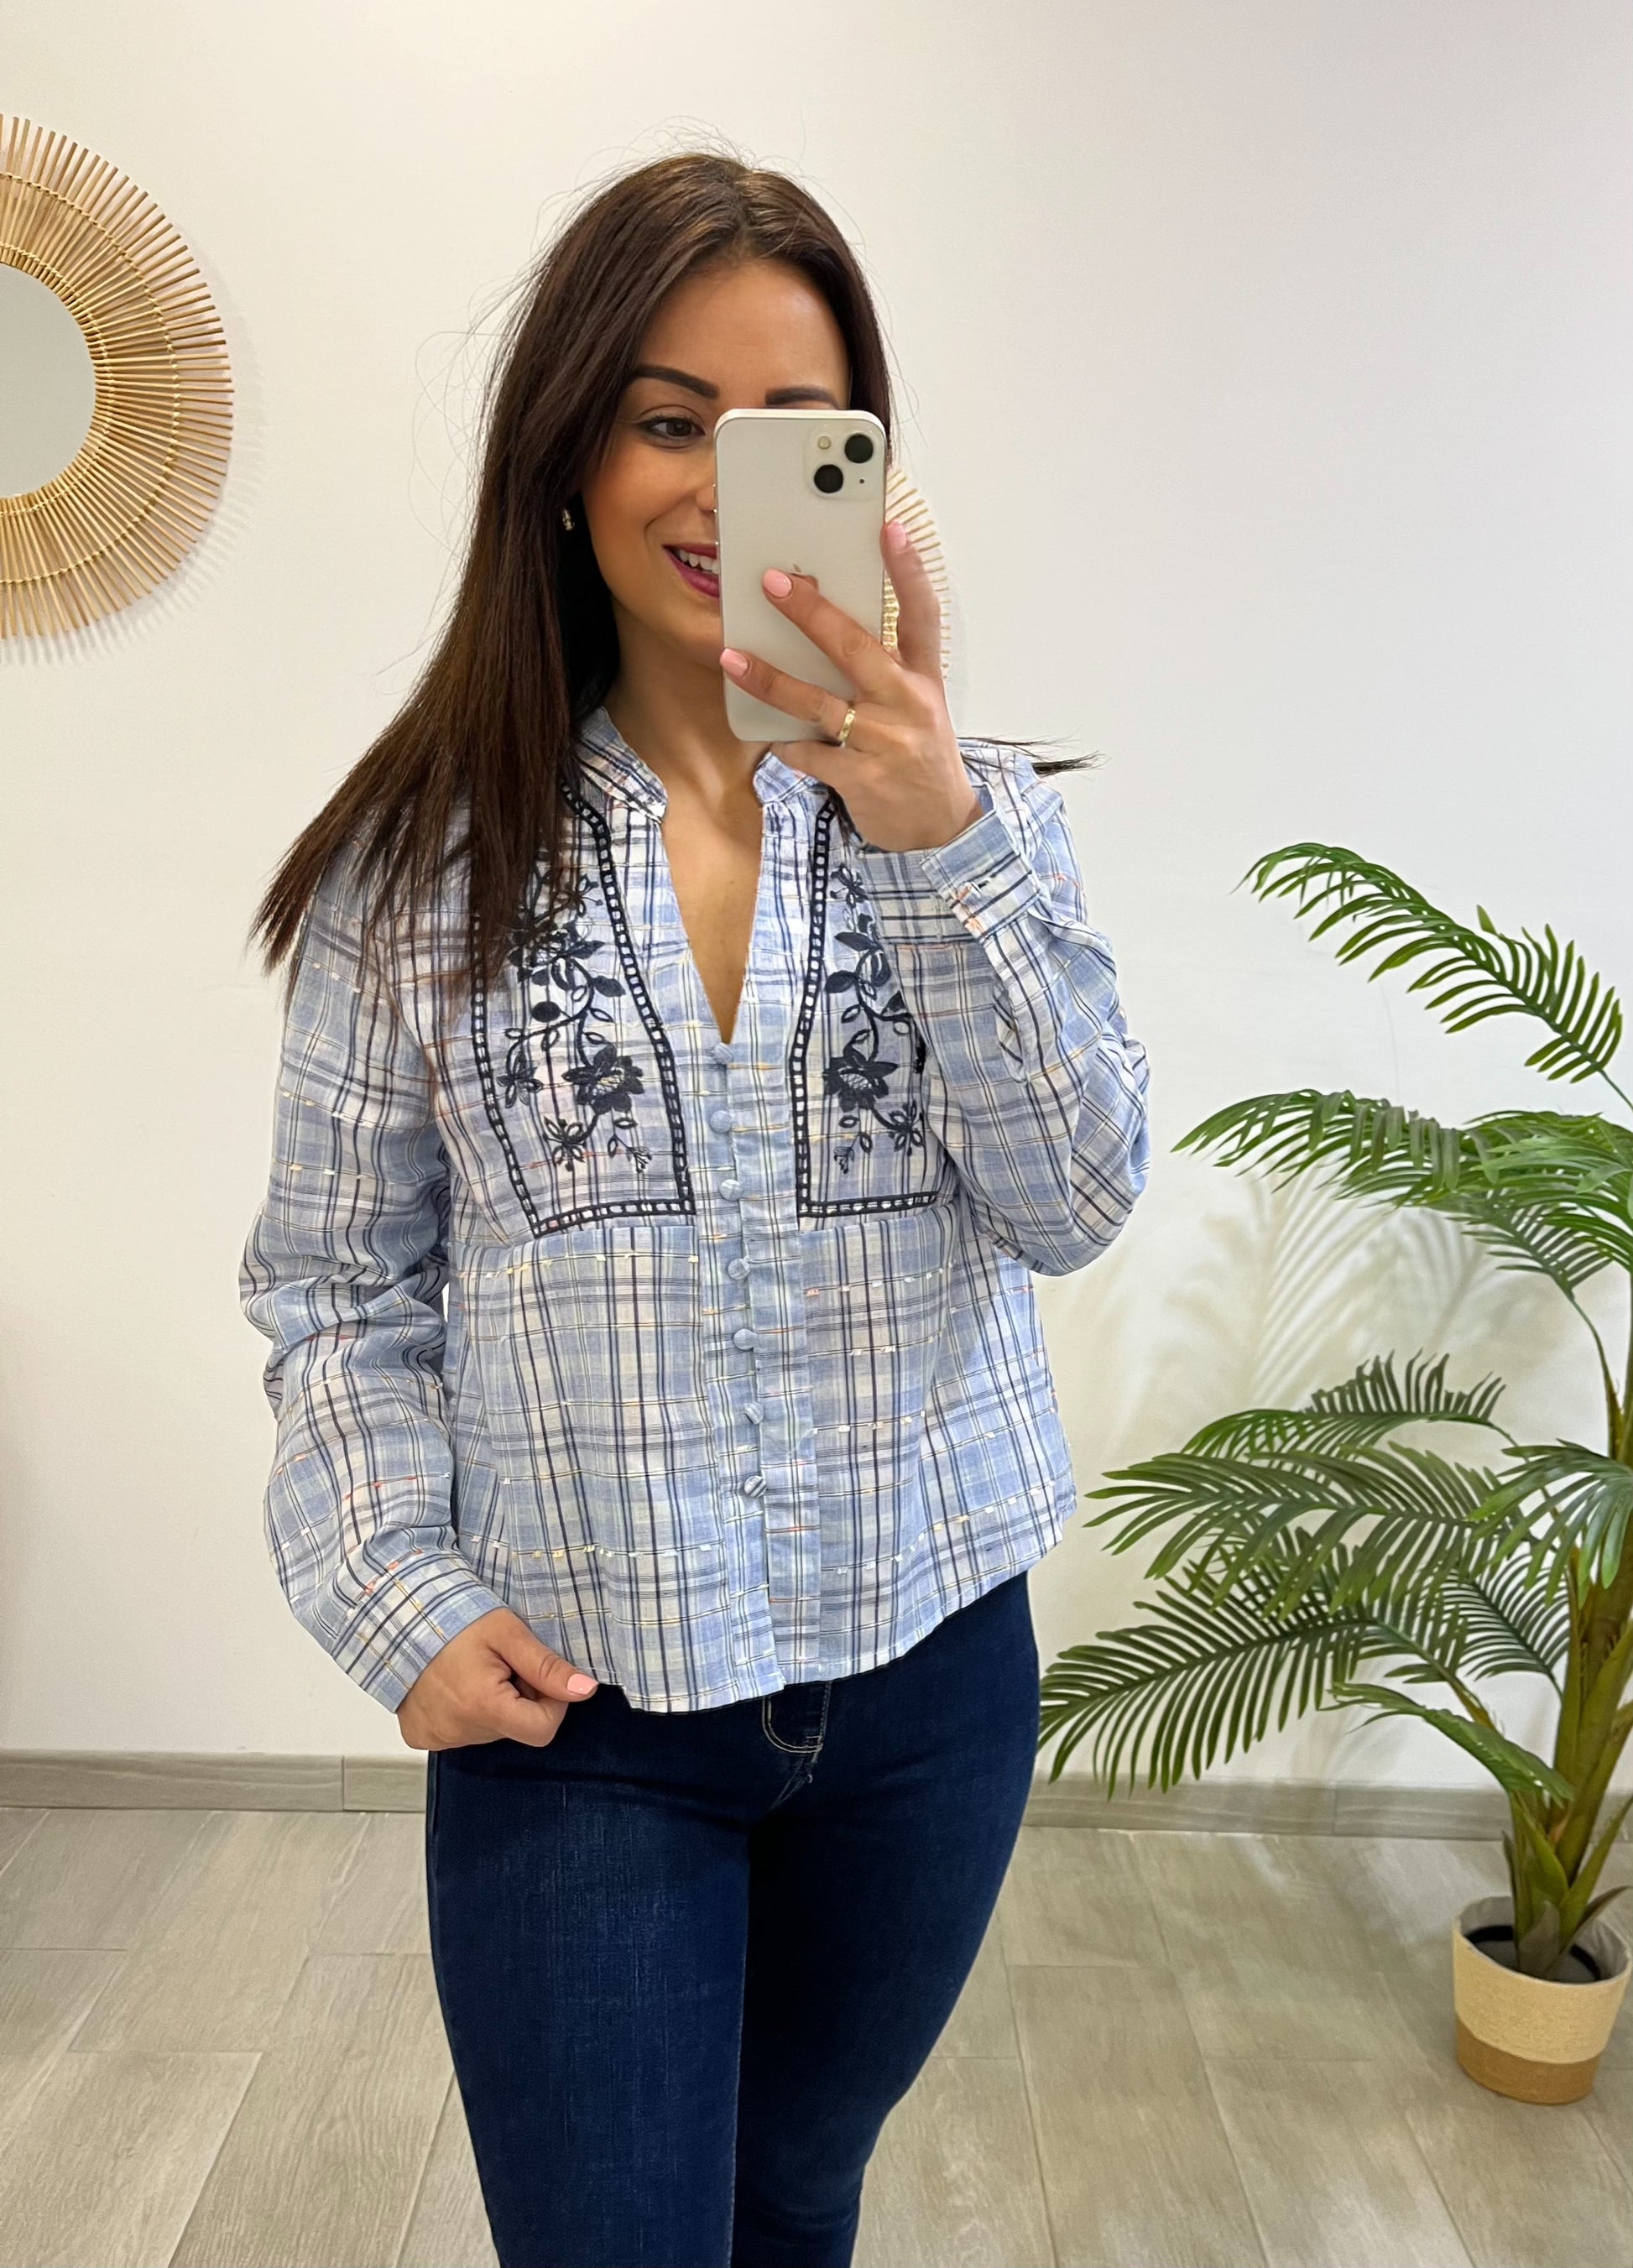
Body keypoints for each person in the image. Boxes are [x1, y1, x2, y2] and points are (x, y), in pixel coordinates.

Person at [240, 149, 1149, 2268]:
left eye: (792, 436)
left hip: (929, 1685)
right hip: (584, 1713)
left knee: (795, 2191)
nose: (726, 487)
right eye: (671, 421)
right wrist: (391, 1586)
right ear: (567, 456)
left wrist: (932, 830)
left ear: (865, 477)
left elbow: (1078, 1194)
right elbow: (333, 1284)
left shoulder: (982, 824)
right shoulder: (417, 866)